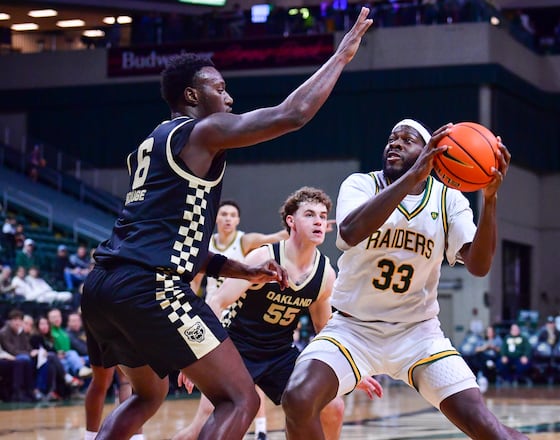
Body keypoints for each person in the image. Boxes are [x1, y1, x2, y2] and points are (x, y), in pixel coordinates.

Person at [80, 10, 372, 440]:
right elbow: (292, 115)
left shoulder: (152, 143)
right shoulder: (201, 132)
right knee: (241, 399)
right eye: (219, 88)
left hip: (102, 287)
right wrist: (341, 56)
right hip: (151, 286)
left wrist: (245, 270)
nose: (229, 98)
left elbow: (176, 243)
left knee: (147, 396)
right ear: (192, 96)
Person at [281, 119, 526, 439]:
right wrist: (413, 176)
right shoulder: (361, 184)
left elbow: (478, 266)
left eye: (407, 140)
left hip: (417, 334)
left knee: (486, 426)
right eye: (392, 138)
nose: (394, 143)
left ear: (431, 153)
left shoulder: (447, 199)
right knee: (298, 399)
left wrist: (490, 200)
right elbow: (351, 231)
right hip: (353, 329)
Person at [173, 187, 382, 440]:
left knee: (330, 405)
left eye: (322, 215)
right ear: (291, 221)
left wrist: (349, 367)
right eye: (310, 214)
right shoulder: (264, 256)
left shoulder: (325, 274)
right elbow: (217, 302)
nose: (319, 221)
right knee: (205, 426)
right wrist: (198, 354)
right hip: (236, 348)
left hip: (280, 353)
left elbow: (325, 329)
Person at [189, 200, 288, 298]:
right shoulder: (207, 242)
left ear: (238, 220)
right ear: (216, 218)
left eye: (232, 215)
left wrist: (296, 225)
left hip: (234, 306)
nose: (228, 219)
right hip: (211, 303)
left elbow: (276, 237)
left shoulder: (245, 241)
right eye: (224, 214)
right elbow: (196, 281)